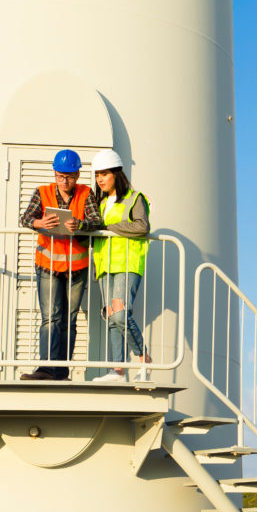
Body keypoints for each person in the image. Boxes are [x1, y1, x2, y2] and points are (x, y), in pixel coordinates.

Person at [19, 149, 98, 380]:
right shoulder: (42, 193)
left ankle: (61, 372)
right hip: (48, 265)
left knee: (68, 321)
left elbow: (96, 221)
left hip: (77, 267)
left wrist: (80, 225)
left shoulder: (86, 193)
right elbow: (24, 218)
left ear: (78, 175)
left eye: (71, 176)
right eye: (61, 175)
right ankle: (46, 369)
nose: (65, 181)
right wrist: (39, 221)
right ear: (55, 173)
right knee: (50, 319)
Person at [87, 149, 152, 383]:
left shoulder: (135, 198)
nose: (100, 179)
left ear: (117, 173)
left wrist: (109, 226)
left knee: (122, 314)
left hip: (128, 263)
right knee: (112, 318)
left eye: (104, 174)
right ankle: (118, 371)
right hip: (105, 265)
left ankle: (143, 357)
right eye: (97, 175)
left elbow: (142, 227)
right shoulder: (100, 202)